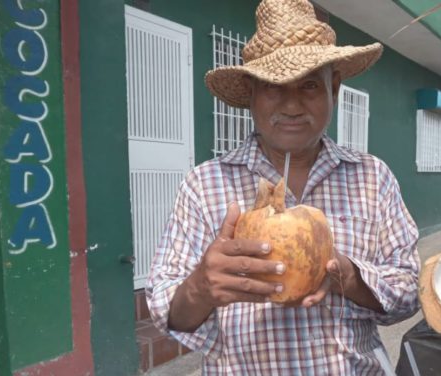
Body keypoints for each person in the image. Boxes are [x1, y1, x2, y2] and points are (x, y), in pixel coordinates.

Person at [146, 0, 420, 373]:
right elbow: (168, 312)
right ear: (251, 94)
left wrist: (347, 275)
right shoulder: (205, 184)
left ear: (333, 89)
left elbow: (409, 292)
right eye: (275, 87)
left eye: (309, 85)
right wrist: (201, 287)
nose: (292, 106)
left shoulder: (372, 178)